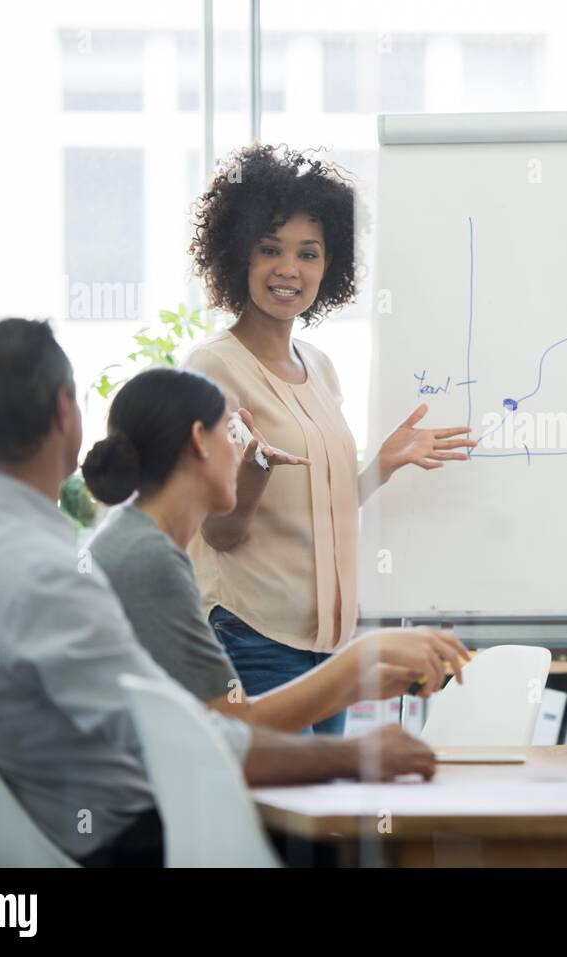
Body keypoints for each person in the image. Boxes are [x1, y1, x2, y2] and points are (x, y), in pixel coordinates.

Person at [0, 318, 436, 866]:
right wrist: (354, 750)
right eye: (230, 429)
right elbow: (197, 745)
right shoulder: (56, 575)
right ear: (63, 410)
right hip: (123, 846)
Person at [184, 143, 476, 734]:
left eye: (308, 254)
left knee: (322, 819)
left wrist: (379, 469)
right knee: (279, 817)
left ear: (329, 267)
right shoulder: (212, 369)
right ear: (238, 256)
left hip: (328, 642)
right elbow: (219, 530)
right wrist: (253, 472)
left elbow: (318, 507)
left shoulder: (318, 366)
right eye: (270, 250)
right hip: (252, 633)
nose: (288, 268)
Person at [82, 366, 470, 730]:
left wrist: (363, 677)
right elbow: (237, 730)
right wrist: (362, 658)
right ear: (200, 441)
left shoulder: (135, 540)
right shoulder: (149, 560)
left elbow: (227, 723)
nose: (247, 452)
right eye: (232, 433)